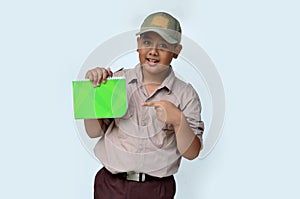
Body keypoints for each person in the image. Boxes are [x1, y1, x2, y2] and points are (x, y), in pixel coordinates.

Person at [84, 11, 204, 199]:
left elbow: (192, 152)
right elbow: (93, 132)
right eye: (147, 43)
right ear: (138, 44)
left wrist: (178, 121)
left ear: (176, 51)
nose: (153, 51)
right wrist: (94, 90)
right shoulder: (116, 82)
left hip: (156, 190)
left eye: (163, 45)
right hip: (110, 186)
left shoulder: (186, 95)